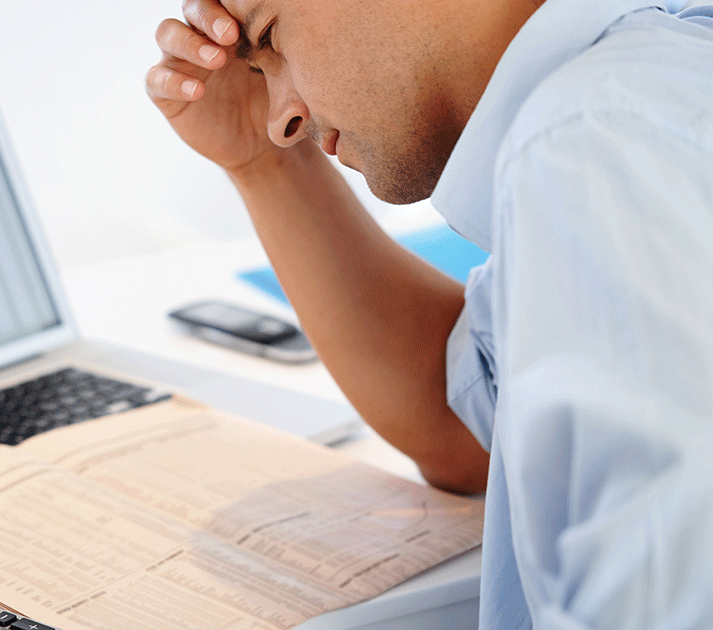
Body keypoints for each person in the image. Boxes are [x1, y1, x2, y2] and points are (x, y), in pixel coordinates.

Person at [146, 0, 713, 628]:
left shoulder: (600, 137)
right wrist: (262, 165)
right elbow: (471, 432)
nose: (284, 119)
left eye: (272, 37)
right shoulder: (630, 98)